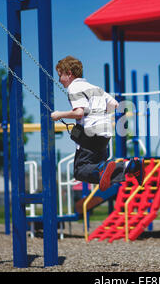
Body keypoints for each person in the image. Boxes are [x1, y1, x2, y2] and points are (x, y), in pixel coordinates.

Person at [51, 56, 143, 192]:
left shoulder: (74, 88)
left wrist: (59, 115)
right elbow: (115, 104)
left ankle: (103, 169)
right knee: (100, 169)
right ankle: (131, 166)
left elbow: (79, 113)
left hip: (90, 135)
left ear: (69, 74)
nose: (59, 79)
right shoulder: (95, 88)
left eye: (60, 75)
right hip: (104, 135)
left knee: (80, 170)